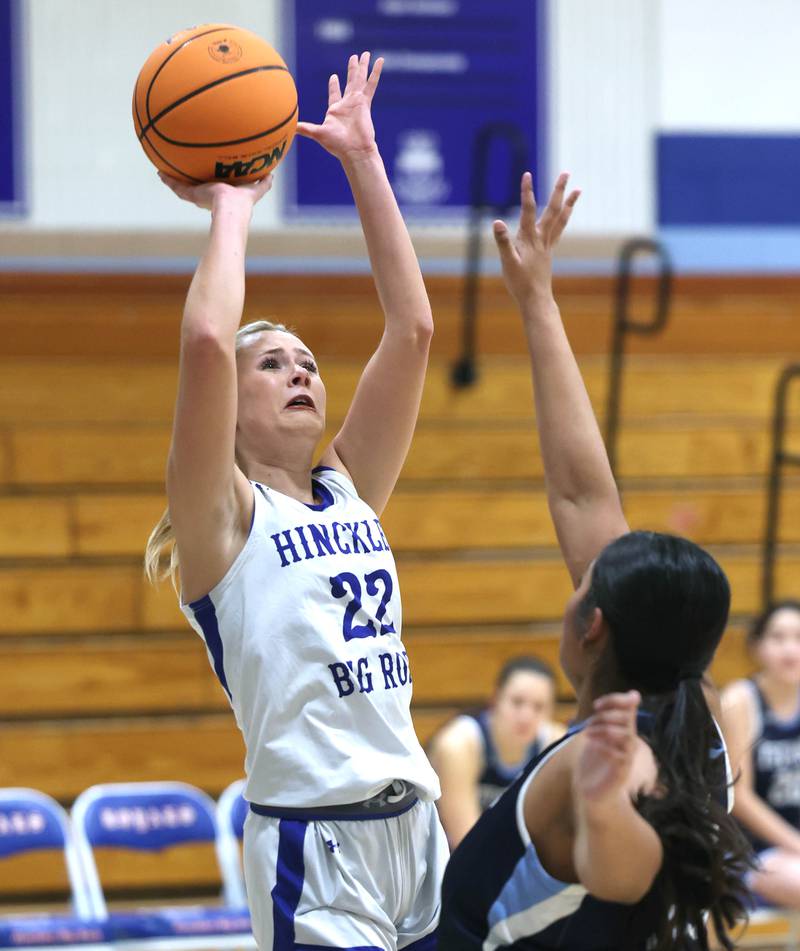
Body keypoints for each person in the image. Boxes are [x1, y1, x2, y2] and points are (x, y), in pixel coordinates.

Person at [144, 53, 447, 951]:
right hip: (314, 841)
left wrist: (363, 160)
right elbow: (205, 338)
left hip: (415, 826)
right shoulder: (221, 521)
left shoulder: (349, 486)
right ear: (228, 406)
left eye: (308, 359)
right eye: (271, 363)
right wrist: (233, 195)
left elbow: (414, 326)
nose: (301, 369)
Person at [436, 172, 752, 951]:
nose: (576, 573)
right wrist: (537, 298)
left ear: (595, 625)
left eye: (583, 582)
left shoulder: (618, 758)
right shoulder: (690, 711)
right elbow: (581, 492)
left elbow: (626, 869)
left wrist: (608, 807)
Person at [428, 656, 565, 847]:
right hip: (451, 862)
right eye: (517, 702)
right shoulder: (458, 745)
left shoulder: (555, 745)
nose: (526, 716)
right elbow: (468, 846)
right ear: (495, 700)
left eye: (538, 707)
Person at [721, 600, 800, 908]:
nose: (790, 649)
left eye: (798, 637)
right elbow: (739, 798)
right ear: (757, 646)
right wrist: (795, 844)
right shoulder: (740, 700)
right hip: (754, 849)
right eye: (778, 638)